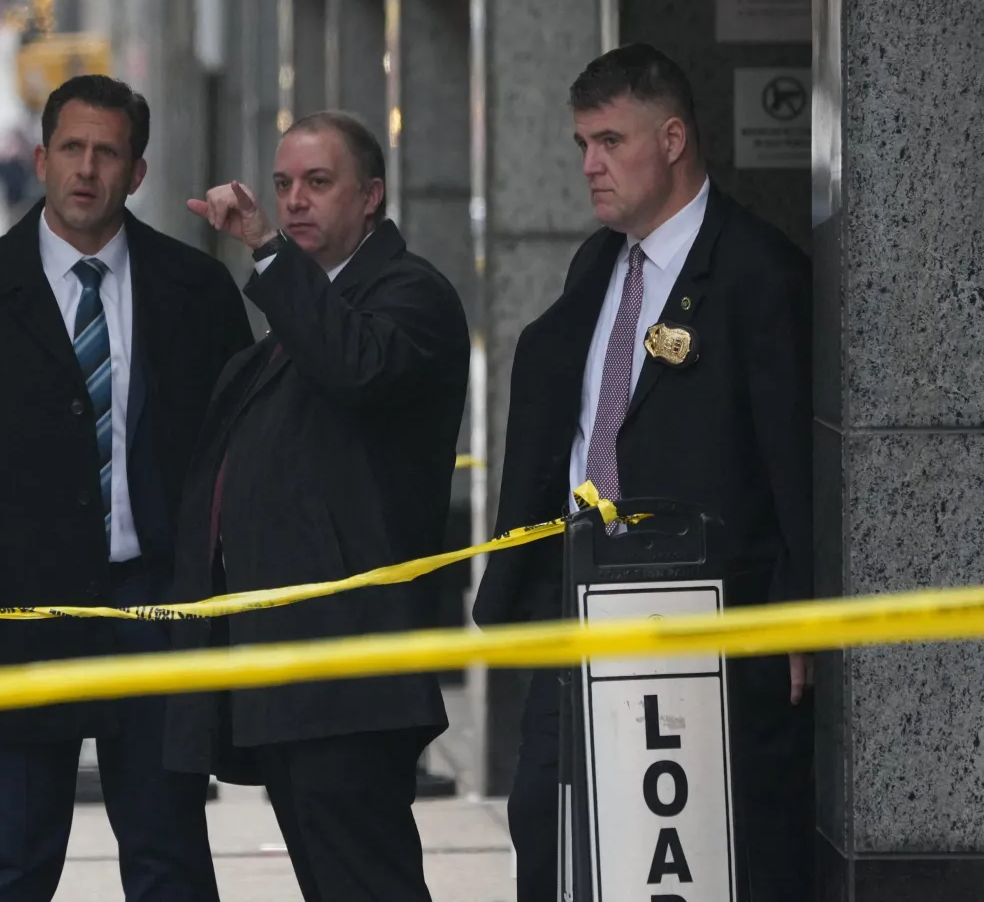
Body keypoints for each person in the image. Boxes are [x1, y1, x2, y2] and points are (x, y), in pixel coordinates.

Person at [0, 74, 254, 902]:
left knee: (170, 861)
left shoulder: (197, 292)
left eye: (107, 153)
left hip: (157, 612)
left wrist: (227, 600)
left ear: (136, 172)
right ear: (41, 159)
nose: (87, 169)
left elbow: (242, 458)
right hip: (16, 618)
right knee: (13, 863)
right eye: (71, 149)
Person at [471, 44, 813, 902]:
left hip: (705, 622)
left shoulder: (758, 275)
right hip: (581, 605)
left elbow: (796, 465)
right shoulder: (598, 264)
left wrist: (801, 612)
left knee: (692, 852)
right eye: (582, 142)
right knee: (550, 837)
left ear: (671, 139)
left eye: (609, 142)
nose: (590, 164)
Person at [164, 110, 471, 902]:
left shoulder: (409, 296)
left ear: (371, 196)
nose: (295, 201)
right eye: (282, 185)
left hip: (349, 675)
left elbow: (354, 367)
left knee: (367, 883)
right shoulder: (293, 321)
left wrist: (267, 251)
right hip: (287, 677)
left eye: (318, 183)